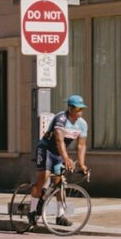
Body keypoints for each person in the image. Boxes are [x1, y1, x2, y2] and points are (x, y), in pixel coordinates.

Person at [30, 94, 89, 226]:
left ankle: (60, 215)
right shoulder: (60, 118)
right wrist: (66, 158)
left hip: (58, 154)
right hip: (46, 150)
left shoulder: (82, 124)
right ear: (70, 108)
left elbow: (81, 145)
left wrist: (82, 164)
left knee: (60, 184)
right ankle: (32, 210)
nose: (81, 111)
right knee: (43, 178)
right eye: (78, 109)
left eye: (82, 109)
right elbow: (59, 141)